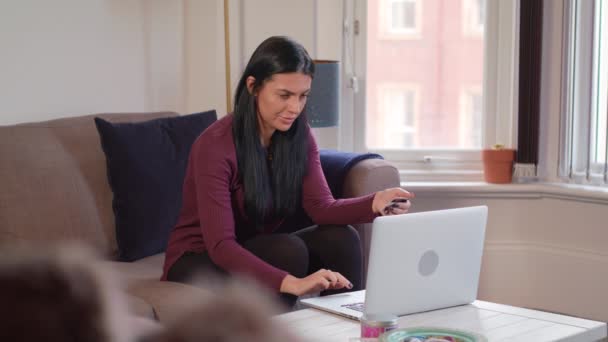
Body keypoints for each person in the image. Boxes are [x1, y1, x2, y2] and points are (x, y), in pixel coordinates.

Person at [161, 36, 413, 308]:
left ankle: (348, 328)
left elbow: (321, 207)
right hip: (199, 259)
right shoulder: (214, 146)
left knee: (340, 239)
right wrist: (292, 282)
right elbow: (221, 246)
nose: (295, 108)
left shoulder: (298, 134)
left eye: (302, 96)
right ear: (253, 86)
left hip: (254, 245)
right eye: (284, 95)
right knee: (285, 250)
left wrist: (374, 203)